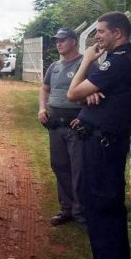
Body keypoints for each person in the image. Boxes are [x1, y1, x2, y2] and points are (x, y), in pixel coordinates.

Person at [67, 12, 131, 259]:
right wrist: (91, 91)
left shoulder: (120, 62)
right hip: (104, 143)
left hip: (103, 147)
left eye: (101, 31)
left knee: (103, 211)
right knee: (105, 211)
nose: (97, 37)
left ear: (118, 33)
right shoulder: (121, 61)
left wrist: (87, 59)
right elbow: (92, 91)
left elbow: (72, 92)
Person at [38, 27, 86, 228]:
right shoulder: (54, 67)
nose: (58, 43)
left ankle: (81, 213)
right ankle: (66, 209)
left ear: (73, 42)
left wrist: (84, 116)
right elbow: (45, 88)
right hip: (55, 125)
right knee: (59, 166)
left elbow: (96, 92)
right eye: (57, 40)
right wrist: (42, 108)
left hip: (75, 125)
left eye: (63, 40)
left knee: (79, 170)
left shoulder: (85, 64)